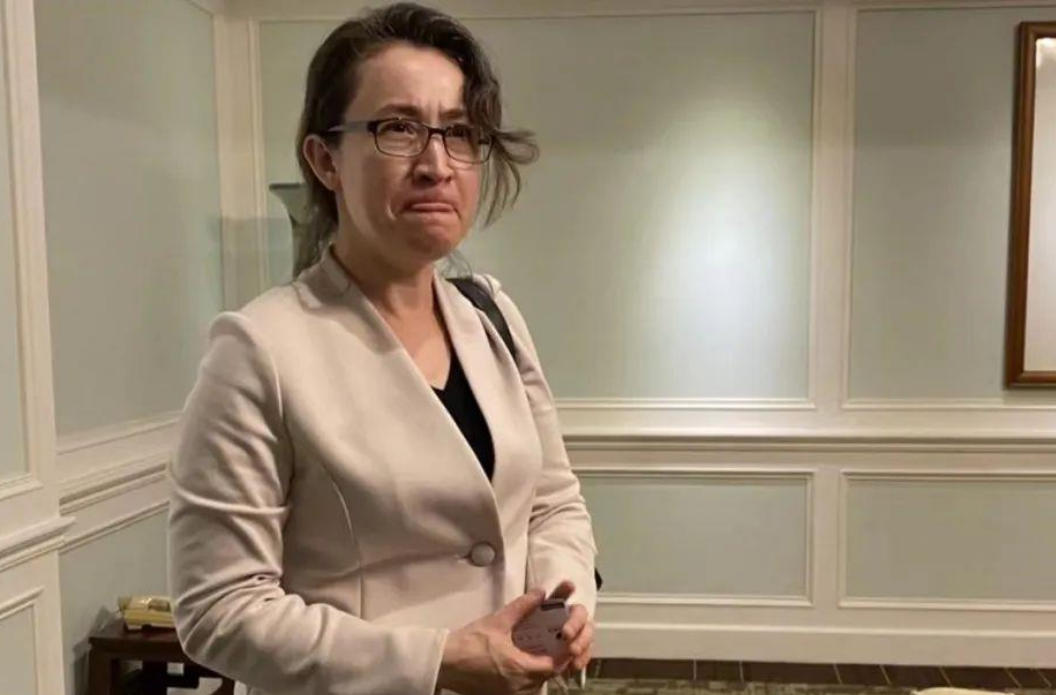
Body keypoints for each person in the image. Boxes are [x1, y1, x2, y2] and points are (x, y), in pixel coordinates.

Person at [167, 4, 598, 695]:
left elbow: (553, 502)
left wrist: (565, 601)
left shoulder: (492, 315)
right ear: (325, 160)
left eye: (459, 132)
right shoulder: (258, 349)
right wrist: (437, 658)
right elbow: (219, 610)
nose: (436, 164)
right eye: (398, 128)